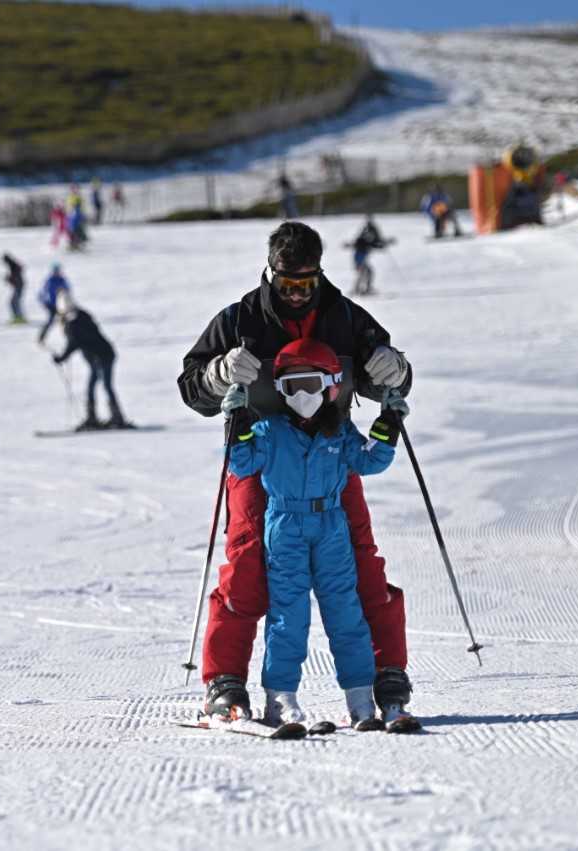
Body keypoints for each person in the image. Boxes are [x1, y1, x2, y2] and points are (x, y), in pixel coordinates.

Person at [177, 221, 414, 727]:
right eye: (287, 286)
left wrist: (394, 368)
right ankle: (226, 681)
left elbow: (387, 375)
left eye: (306, 285)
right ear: (271, 274)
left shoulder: (344, 317)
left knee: (358, 562)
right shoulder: (240, 319)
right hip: (262, 453)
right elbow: (191, 386)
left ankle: (385, 672)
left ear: (319, 274)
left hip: (329, 451)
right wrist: (217, 376)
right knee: (247, 562)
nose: (298, 296)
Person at [222, 338, 405, 729]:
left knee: (345, 610)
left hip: (331, 525)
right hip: (285, 524)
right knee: (289, 613)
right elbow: (241, 462)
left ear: (332, 386)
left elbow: (369, 461)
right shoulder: (270, 431)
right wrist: (236, 424)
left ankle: (360, 699)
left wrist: (388, 425)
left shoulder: (339, 431)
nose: (302, 396)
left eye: (311, 385)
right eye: (291, 387)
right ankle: (281, 698)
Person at [52, 291, 129, 431]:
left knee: (104, 385)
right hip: (101, 356)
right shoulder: (81, 315)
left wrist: (61, 358)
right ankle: (99, 417)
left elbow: (74, 343)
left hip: (103, 357)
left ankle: (113, 417)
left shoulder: (74, 323)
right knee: (96, 386)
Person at [348, 216, 392, 296]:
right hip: (359, 259)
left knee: (366, 273)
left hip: (360, 259)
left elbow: (375, 244)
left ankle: (361, 289)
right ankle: (360, 289)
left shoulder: (366, 239)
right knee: (364, 273)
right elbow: (373, 244)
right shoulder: (363, 240)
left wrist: (384, 244)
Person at [37, 263, 71, 344]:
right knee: (50, 321)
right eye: (55, 271)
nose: (57, 273)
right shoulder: (50, 280)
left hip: (61, 305)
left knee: (65, 322)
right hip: (52, 305)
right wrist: (43, 301)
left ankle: (69, 338)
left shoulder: (62, 280)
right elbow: (44, 292)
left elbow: (67, 290)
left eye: (58, 271)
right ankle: (41, 337)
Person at [3, 253, 27, 324]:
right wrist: (10, 278)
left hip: (19, 286)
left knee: (14, 302)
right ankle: (18, 316)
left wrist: (9, 278)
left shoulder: (13, 265)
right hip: (18, 286)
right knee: (14, 302)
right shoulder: (13, 265)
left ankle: (19, 317)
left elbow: (17, 274)